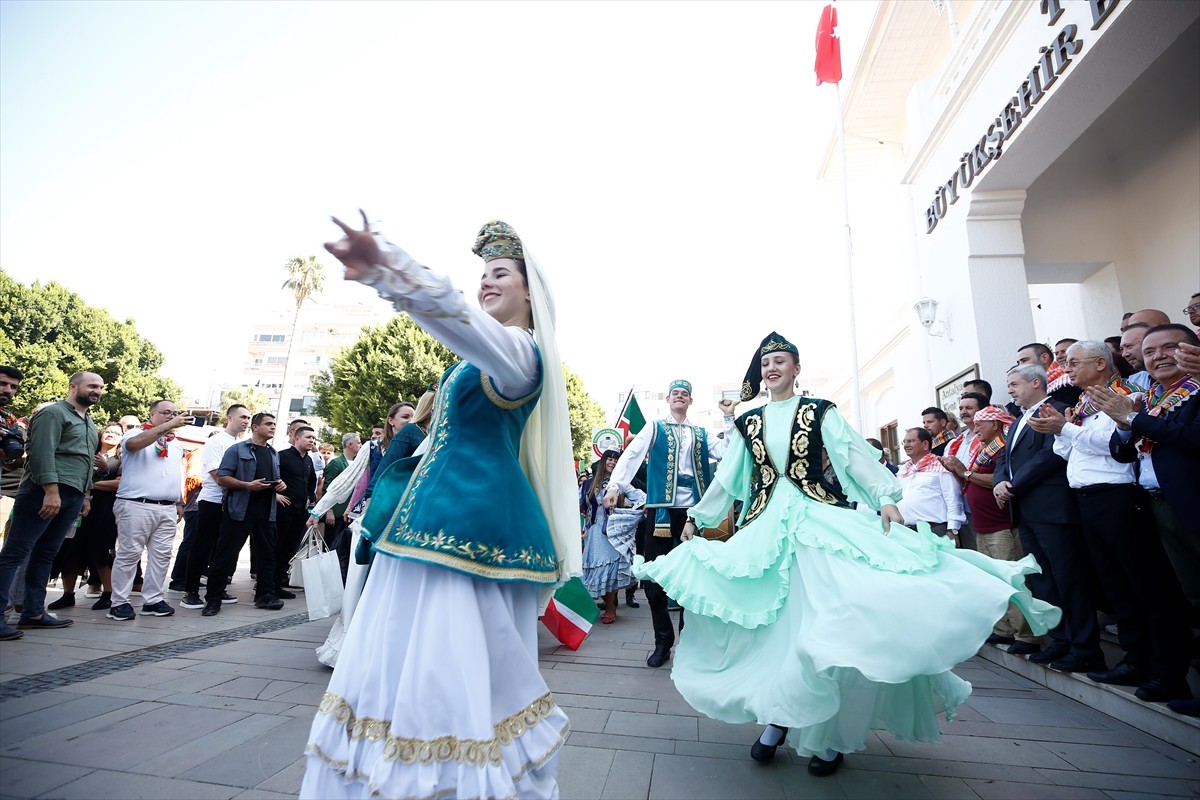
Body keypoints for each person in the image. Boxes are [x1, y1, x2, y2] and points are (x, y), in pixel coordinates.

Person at [635, 332, 1058, 777]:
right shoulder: (750, 422)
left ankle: (829, 735)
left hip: (816, 524)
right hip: (764, 531)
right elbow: (728, 476)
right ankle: (779, 718)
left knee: (824, 627)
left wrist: (885, 497)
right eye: (765, 364)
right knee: (774, 631)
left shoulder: (820, 412)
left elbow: (854, 456)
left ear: (797, 368)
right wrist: (698, 517)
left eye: (781, 361)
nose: (772, 369)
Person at [301, 215, 579, 799]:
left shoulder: (520, 353)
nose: (486, 282)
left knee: (447, 677)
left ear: (532, 292)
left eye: (500, 273)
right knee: (402, 667)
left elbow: (459, 319)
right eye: (482, 275)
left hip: (464, 543)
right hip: (427, 534)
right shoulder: (476, 362)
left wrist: (390, 269)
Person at [604, 379, 733, 668]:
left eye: (685, 394)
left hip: (692, 513)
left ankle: (690, 642)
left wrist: (728, 416)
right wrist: (615, 486)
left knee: (695, 578)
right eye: (675, 392)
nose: (680, 396)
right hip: (660, 512)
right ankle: (663, 641)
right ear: (668, 399)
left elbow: (728, 451)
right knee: (653, 579)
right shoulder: (655, 427)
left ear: (690, 401)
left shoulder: (700, 432)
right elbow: (633, 454)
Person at [993, 364, 1103, 672]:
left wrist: (1014, 484)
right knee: (1043, 579)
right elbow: (1004, 457)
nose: (1011, 390)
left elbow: (1052, 454)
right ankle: (1059, 641)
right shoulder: (1017, 421)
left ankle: (1084, 648)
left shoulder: (1058, 410)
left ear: (1037, 383)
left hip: (1052, 509)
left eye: (1015, 384)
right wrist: (1001, 480)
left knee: (1069, 578)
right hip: (1026, 511)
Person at [0, 372, 104, 640]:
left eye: (100, 387)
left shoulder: (90, 422)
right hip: (43, 492)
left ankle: (33, 612)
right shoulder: (53, 413)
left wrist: (86, 496)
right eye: (92, 385)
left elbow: (86, 463)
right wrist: (50, 491)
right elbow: (41, 453)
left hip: (72, 495)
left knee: (46, 554)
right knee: (15, 553)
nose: (97, 391)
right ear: (73, 386)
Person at [106, 400, 190, 621]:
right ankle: (119, 602)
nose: (172, 417)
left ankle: (153, 599)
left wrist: (179, 501)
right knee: (129, 554)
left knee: (161, 556)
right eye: (166, 413)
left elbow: (174, 474)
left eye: (175, 413)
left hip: (167, 507)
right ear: (152, 415)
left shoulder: (175, 443)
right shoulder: (134, 433)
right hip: (136, 503)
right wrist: (165, 426)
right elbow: (133, 446)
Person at [205, 412, 287, 616]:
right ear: (255, 427)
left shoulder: (273, 453)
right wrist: (247, 486)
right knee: (225, 555)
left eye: (274, 424)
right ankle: (213, 599)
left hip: (267, 513)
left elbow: (274, 480)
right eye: (268, 424)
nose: (272, 427)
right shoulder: (237, 449)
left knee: (267, 556)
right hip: (239, 512)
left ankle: (265, 595)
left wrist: (279, 485)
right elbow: (222, 478)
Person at [179, 405, 249, 611]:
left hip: (233, 503)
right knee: (202, 546)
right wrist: (245, 484)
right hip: (213, 501)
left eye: (248, 418)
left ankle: (216, 588)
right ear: (229, 418)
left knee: (224, 549)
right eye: (242, 417)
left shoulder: (242, 444)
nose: (246, 421)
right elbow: (217, 474)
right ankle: (190, 590)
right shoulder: (215, 441)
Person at [48, 421, 124, 611]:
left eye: (116, 433)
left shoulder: (121, 459)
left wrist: (87, 484)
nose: (111, 435)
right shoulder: (87, 453)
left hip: (105, 510)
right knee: (70, 550)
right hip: (77, 508)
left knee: (101, 551)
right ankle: (68, 594)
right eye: (108, 431)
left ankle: (108, 593)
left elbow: (119, 484)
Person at [580, 449, 643, 623]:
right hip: (594, 531)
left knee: (610, 569)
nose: (613, 462)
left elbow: (641, 498)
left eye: (616, 460)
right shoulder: (588, 484)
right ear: (603, 461)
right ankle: (609, 602)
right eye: (610, 459)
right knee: (597, 569)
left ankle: (610, 608)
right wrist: (583, 526)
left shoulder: (622, 484)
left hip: (613, 531)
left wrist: (635, 512)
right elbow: (581, 507)